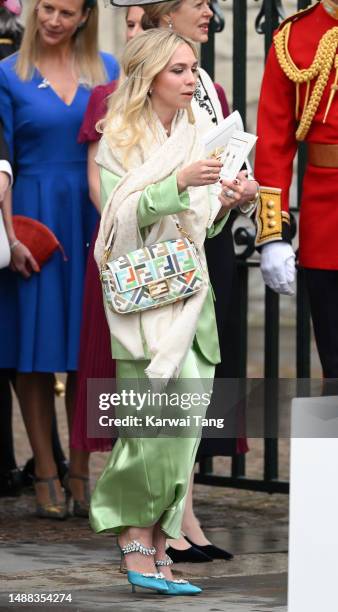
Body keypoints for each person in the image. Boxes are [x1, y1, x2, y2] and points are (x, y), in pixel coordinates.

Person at [90, 27, 251, 596]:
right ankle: (134, 546)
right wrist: (177, 182)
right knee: (147, 437)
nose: (192, 80)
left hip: (192, 303)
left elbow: (199, 227)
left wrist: (229, 203)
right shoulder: (117, 140)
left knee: (180, 439)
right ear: (149, 77)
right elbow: (118, 223)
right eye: (179, 71)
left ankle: (160, 550)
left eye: (192, 69)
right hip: (142, 312)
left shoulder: (200, 133)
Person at [141, 0, 257, 562]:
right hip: (166, 244)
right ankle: (164, 524)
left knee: (199, 383)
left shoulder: (207, 81)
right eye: (197, 4)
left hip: (207, 231)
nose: (211, 12)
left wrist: (237, 189)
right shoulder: (150, 84)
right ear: (166, 16)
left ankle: (186, 510)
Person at [0, 0, 119, 518]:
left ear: (85, 17)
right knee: (35, 351)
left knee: (86, 351)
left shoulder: (108, 70)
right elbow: (0, 157)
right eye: (46, 8)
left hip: (93, 215)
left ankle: (81, 471)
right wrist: (9, 236)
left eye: (66, 12)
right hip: (33, 220)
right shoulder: (7, 72)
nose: (53, 20)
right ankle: (45, 468)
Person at [71, 6, 142, 455]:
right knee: (120, 366)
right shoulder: (108, 94)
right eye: (129, 24)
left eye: (141, 24)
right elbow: (97, 182)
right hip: (121, 240)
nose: (132, 33)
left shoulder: (202, 92)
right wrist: (131, 228)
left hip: (179, 242)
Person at [254, 0, 338, 379]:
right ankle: (326, 440)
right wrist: (273, 234)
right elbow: (273, 145)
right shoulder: (294, 37)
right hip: (328, 219)